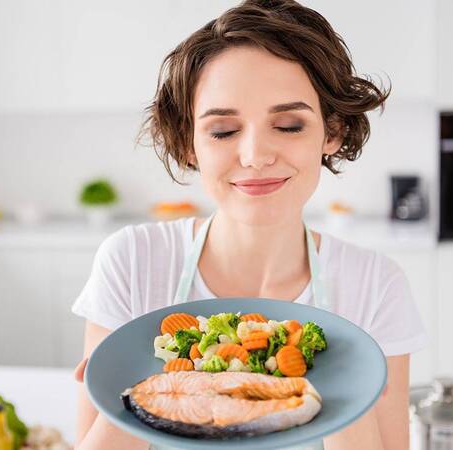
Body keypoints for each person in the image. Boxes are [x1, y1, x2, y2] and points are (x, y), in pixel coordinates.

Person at [71, 0, 428, 449]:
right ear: (189, 143)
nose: (256, 155)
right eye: (223, 131)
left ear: (331, 131)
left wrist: (349, 392)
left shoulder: (376, 285)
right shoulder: (133, 261)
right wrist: (138, 385)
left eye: (289, 125)